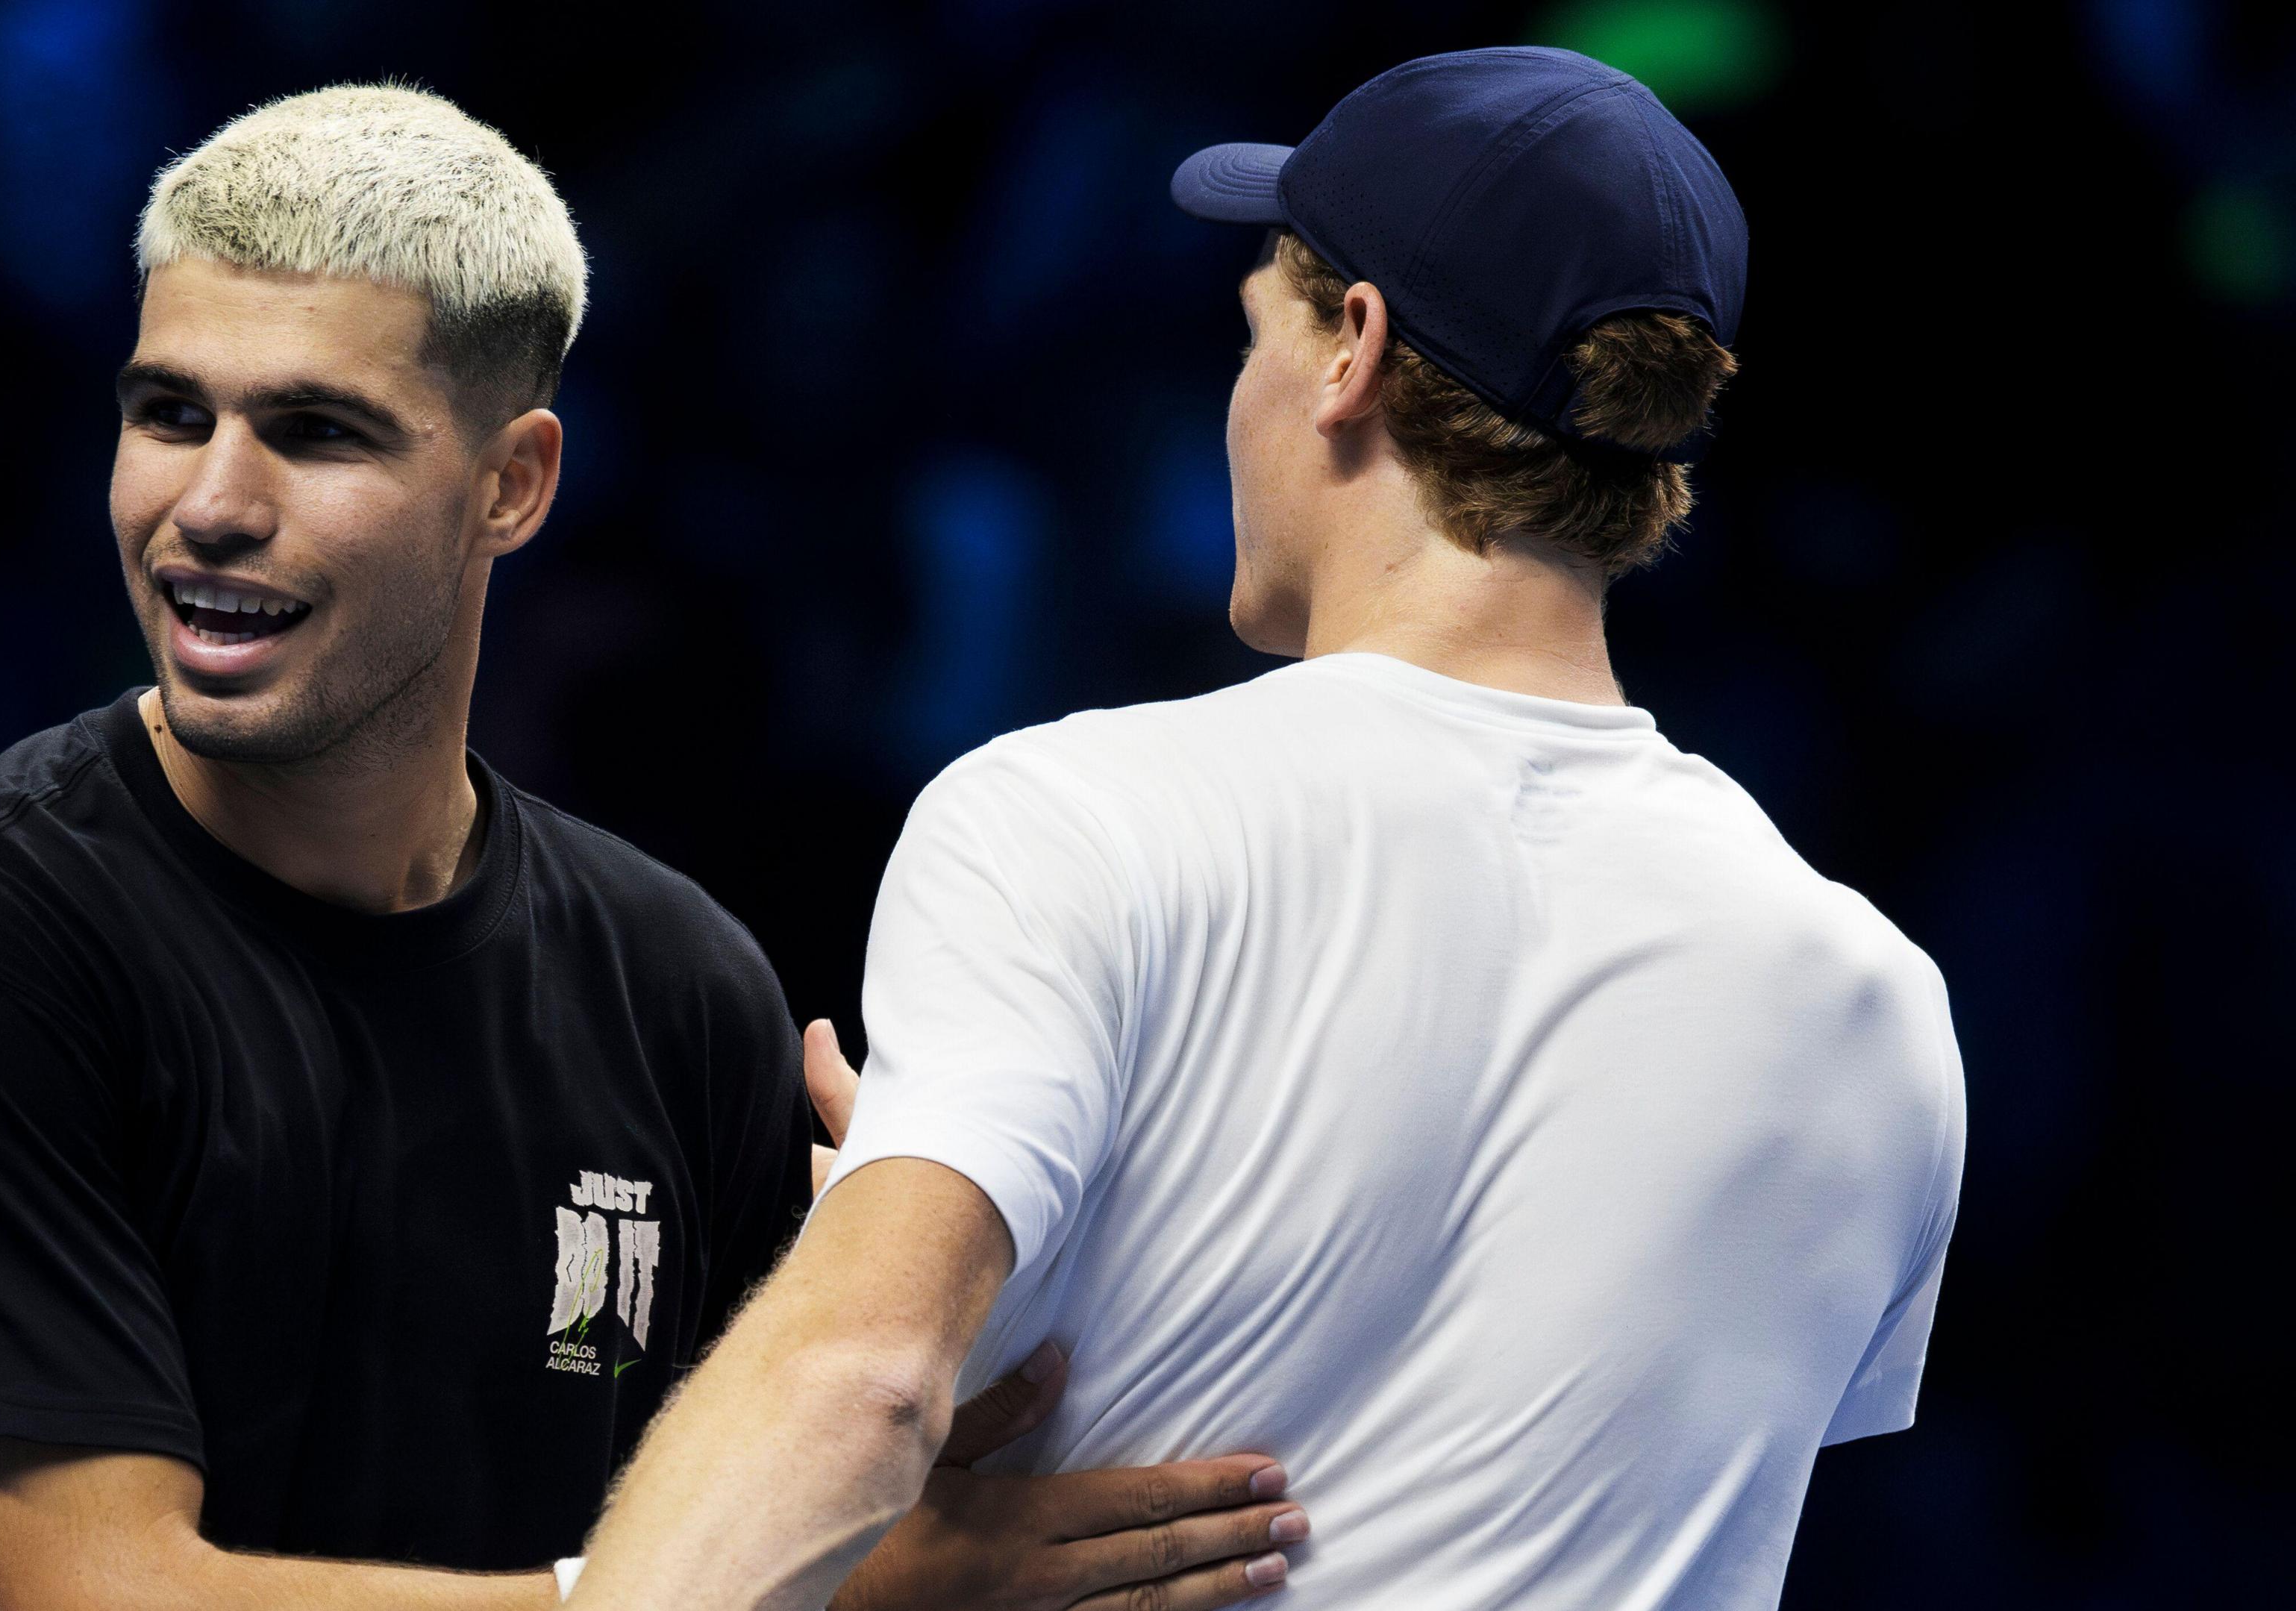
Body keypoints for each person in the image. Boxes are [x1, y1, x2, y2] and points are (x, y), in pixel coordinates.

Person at [0, 84, 1305, 1610]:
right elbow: (102, 1591)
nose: (208, 503)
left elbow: (800, 1510)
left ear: (512, 486)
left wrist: (957, 1305)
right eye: (168, 414)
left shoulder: (674, 981)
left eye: (317, 431)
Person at [563, 46, 1968, 1611]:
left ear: (1349, 352)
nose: (1235, 394)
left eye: (1254, 337)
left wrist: (890, 1317)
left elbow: (867, 1389)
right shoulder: (1882, 1005)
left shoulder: (1070, 821)